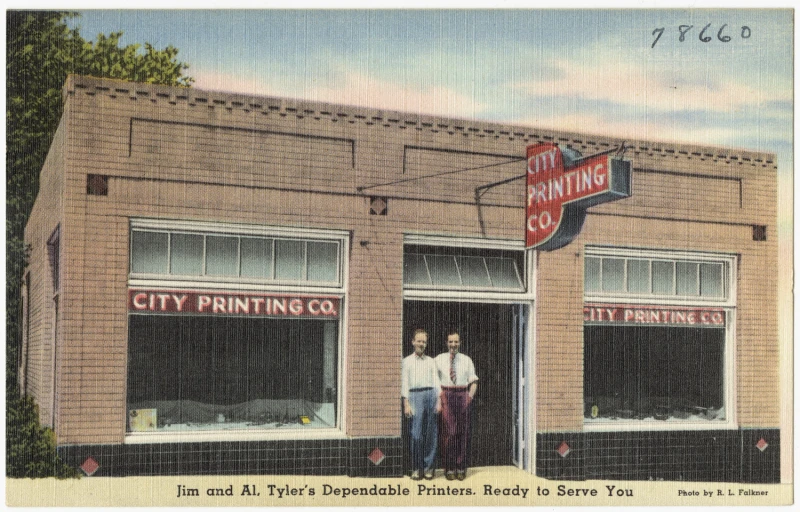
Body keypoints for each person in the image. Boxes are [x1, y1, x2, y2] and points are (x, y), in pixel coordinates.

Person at [435, 330, 478, 481]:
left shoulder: (466, 360)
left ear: (460, 343)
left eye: (456, 342)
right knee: (449, 433)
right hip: (446, 395)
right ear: (446, 343)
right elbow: (434, 381)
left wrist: (469, 397)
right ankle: (449, 467)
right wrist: (439, 399)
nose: (453, 345)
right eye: (450, 342)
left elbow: (474, 381)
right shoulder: (439, 359)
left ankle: (460, 467)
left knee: (463, 433)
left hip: (462, 395)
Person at [401, 328, 441, 480]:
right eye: (419, 341)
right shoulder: (406, 361)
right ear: (413, 342)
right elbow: (404, 382)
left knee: (431, 433)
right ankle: (416, 468)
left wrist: (438, 400)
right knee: (416, 434)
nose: (421, 344)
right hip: (414, 396)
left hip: (431, 395)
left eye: (424, 341)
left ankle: (429, 468)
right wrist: (406, 402)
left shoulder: (431, 361)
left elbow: (436, 381)